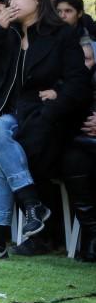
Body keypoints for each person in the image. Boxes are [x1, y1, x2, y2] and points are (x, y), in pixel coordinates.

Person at [0, 0, 91, 260]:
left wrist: (57, 99)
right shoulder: (6, 34)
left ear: (38, 1)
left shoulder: (60, 35)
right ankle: (31, 203)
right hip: (11, 114)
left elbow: (79, 81)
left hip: (47, 120)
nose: (12, 3)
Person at [61, 49, 96, 262]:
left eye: (89, 57)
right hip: (81, 141)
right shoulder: (71, 78)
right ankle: (92, 232)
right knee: (72, 159)